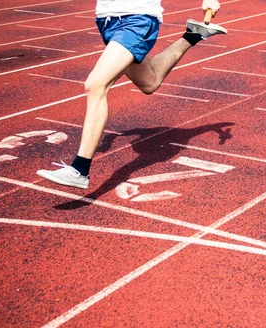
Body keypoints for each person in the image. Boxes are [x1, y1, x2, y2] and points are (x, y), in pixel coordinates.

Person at [37, 0, 227, 189]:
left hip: (137, 20)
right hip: (107, 21)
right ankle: (193, 35)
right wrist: (111, 139)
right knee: (149, 82)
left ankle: (80, 169)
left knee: (95, 85)